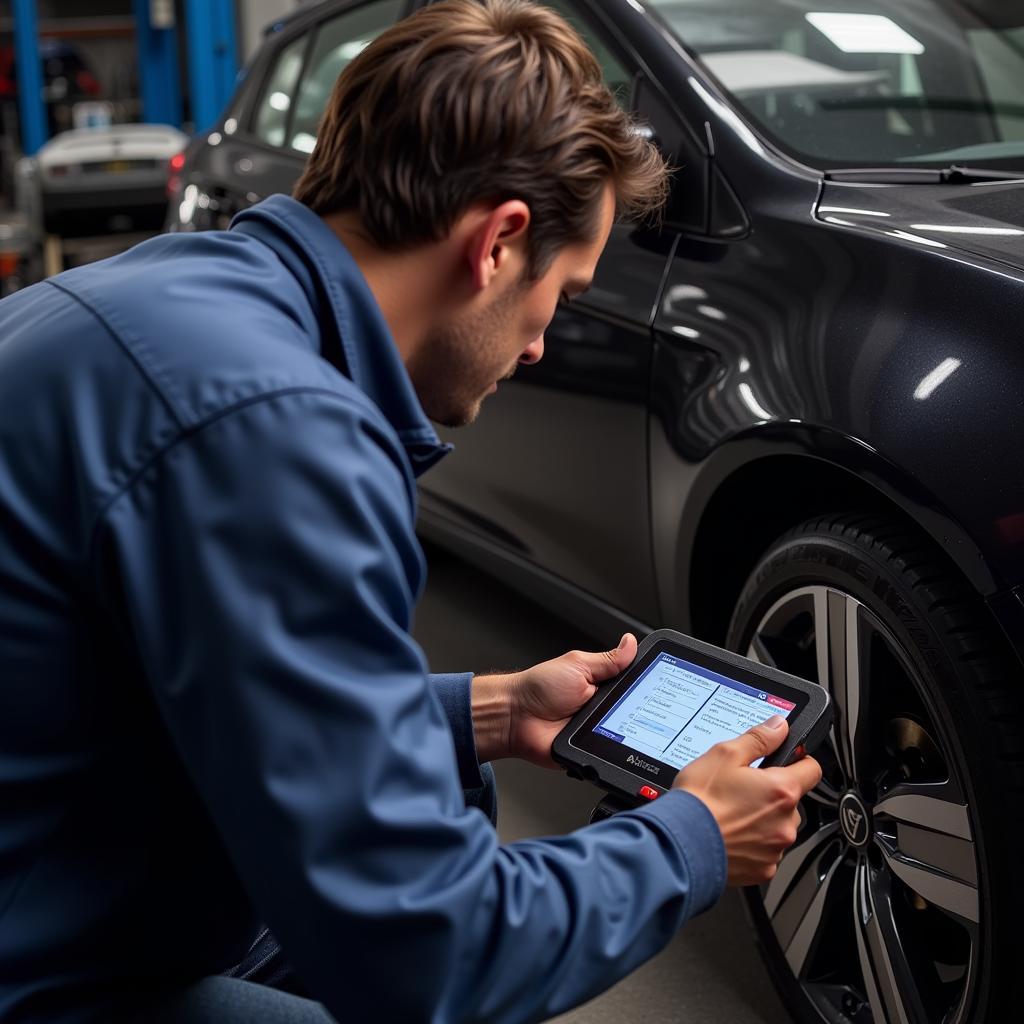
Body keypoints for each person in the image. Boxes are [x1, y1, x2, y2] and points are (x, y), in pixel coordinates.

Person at [0, 1, 821, 1021]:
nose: (536, 346)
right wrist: (693, 837)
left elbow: (185, 692)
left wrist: (487, 712)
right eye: (558, 297)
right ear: (498, 242)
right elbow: (426, 954)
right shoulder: (276, 429)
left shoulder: (169, 298)